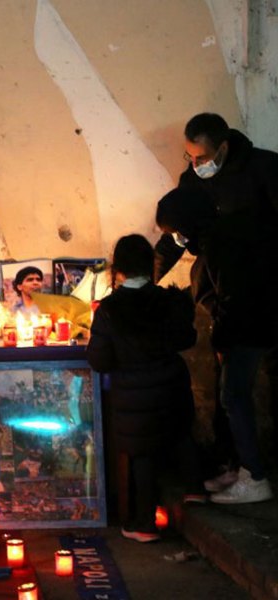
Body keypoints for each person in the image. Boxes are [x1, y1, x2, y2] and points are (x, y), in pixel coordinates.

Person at [154, 113, 278, 488]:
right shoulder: (193, 182)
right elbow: (176, 237)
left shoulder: (264, 169)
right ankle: (237, 464)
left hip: (261, 298)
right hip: (224, 302)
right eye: (189, 157)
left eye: (202, 157)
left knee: (246, 387)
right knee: (229, 389)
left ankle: (255, 474)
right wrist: (143, 279)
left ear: (223, 148)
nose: (195, 165)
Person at [87, 234, 204, 542]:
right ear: (149, 264)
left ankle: (145, 523)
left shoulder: (109, 310)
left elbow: (99, 359)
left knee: (142, 453)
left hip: (133, 392)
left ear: (118, 268)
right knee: (181, 434)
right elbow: (187, 338)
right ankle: (195, 488)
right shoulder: (167, 300)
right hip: (171, 383)